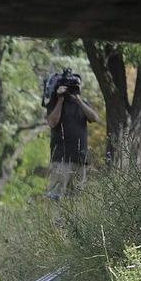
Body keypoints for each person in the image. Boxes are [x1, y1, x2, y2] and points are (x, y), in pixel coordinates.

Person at [45, 71, 98, 200]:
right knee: (55, 198)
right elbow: (52, 122)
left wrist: (79, 101)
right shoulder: (54, 102)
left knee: (77, 199)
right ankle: (55, 221)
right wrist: (60, 100)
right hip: (61, 159)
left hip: (79, 159)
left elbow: (94, 118)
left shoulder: (81, 103)